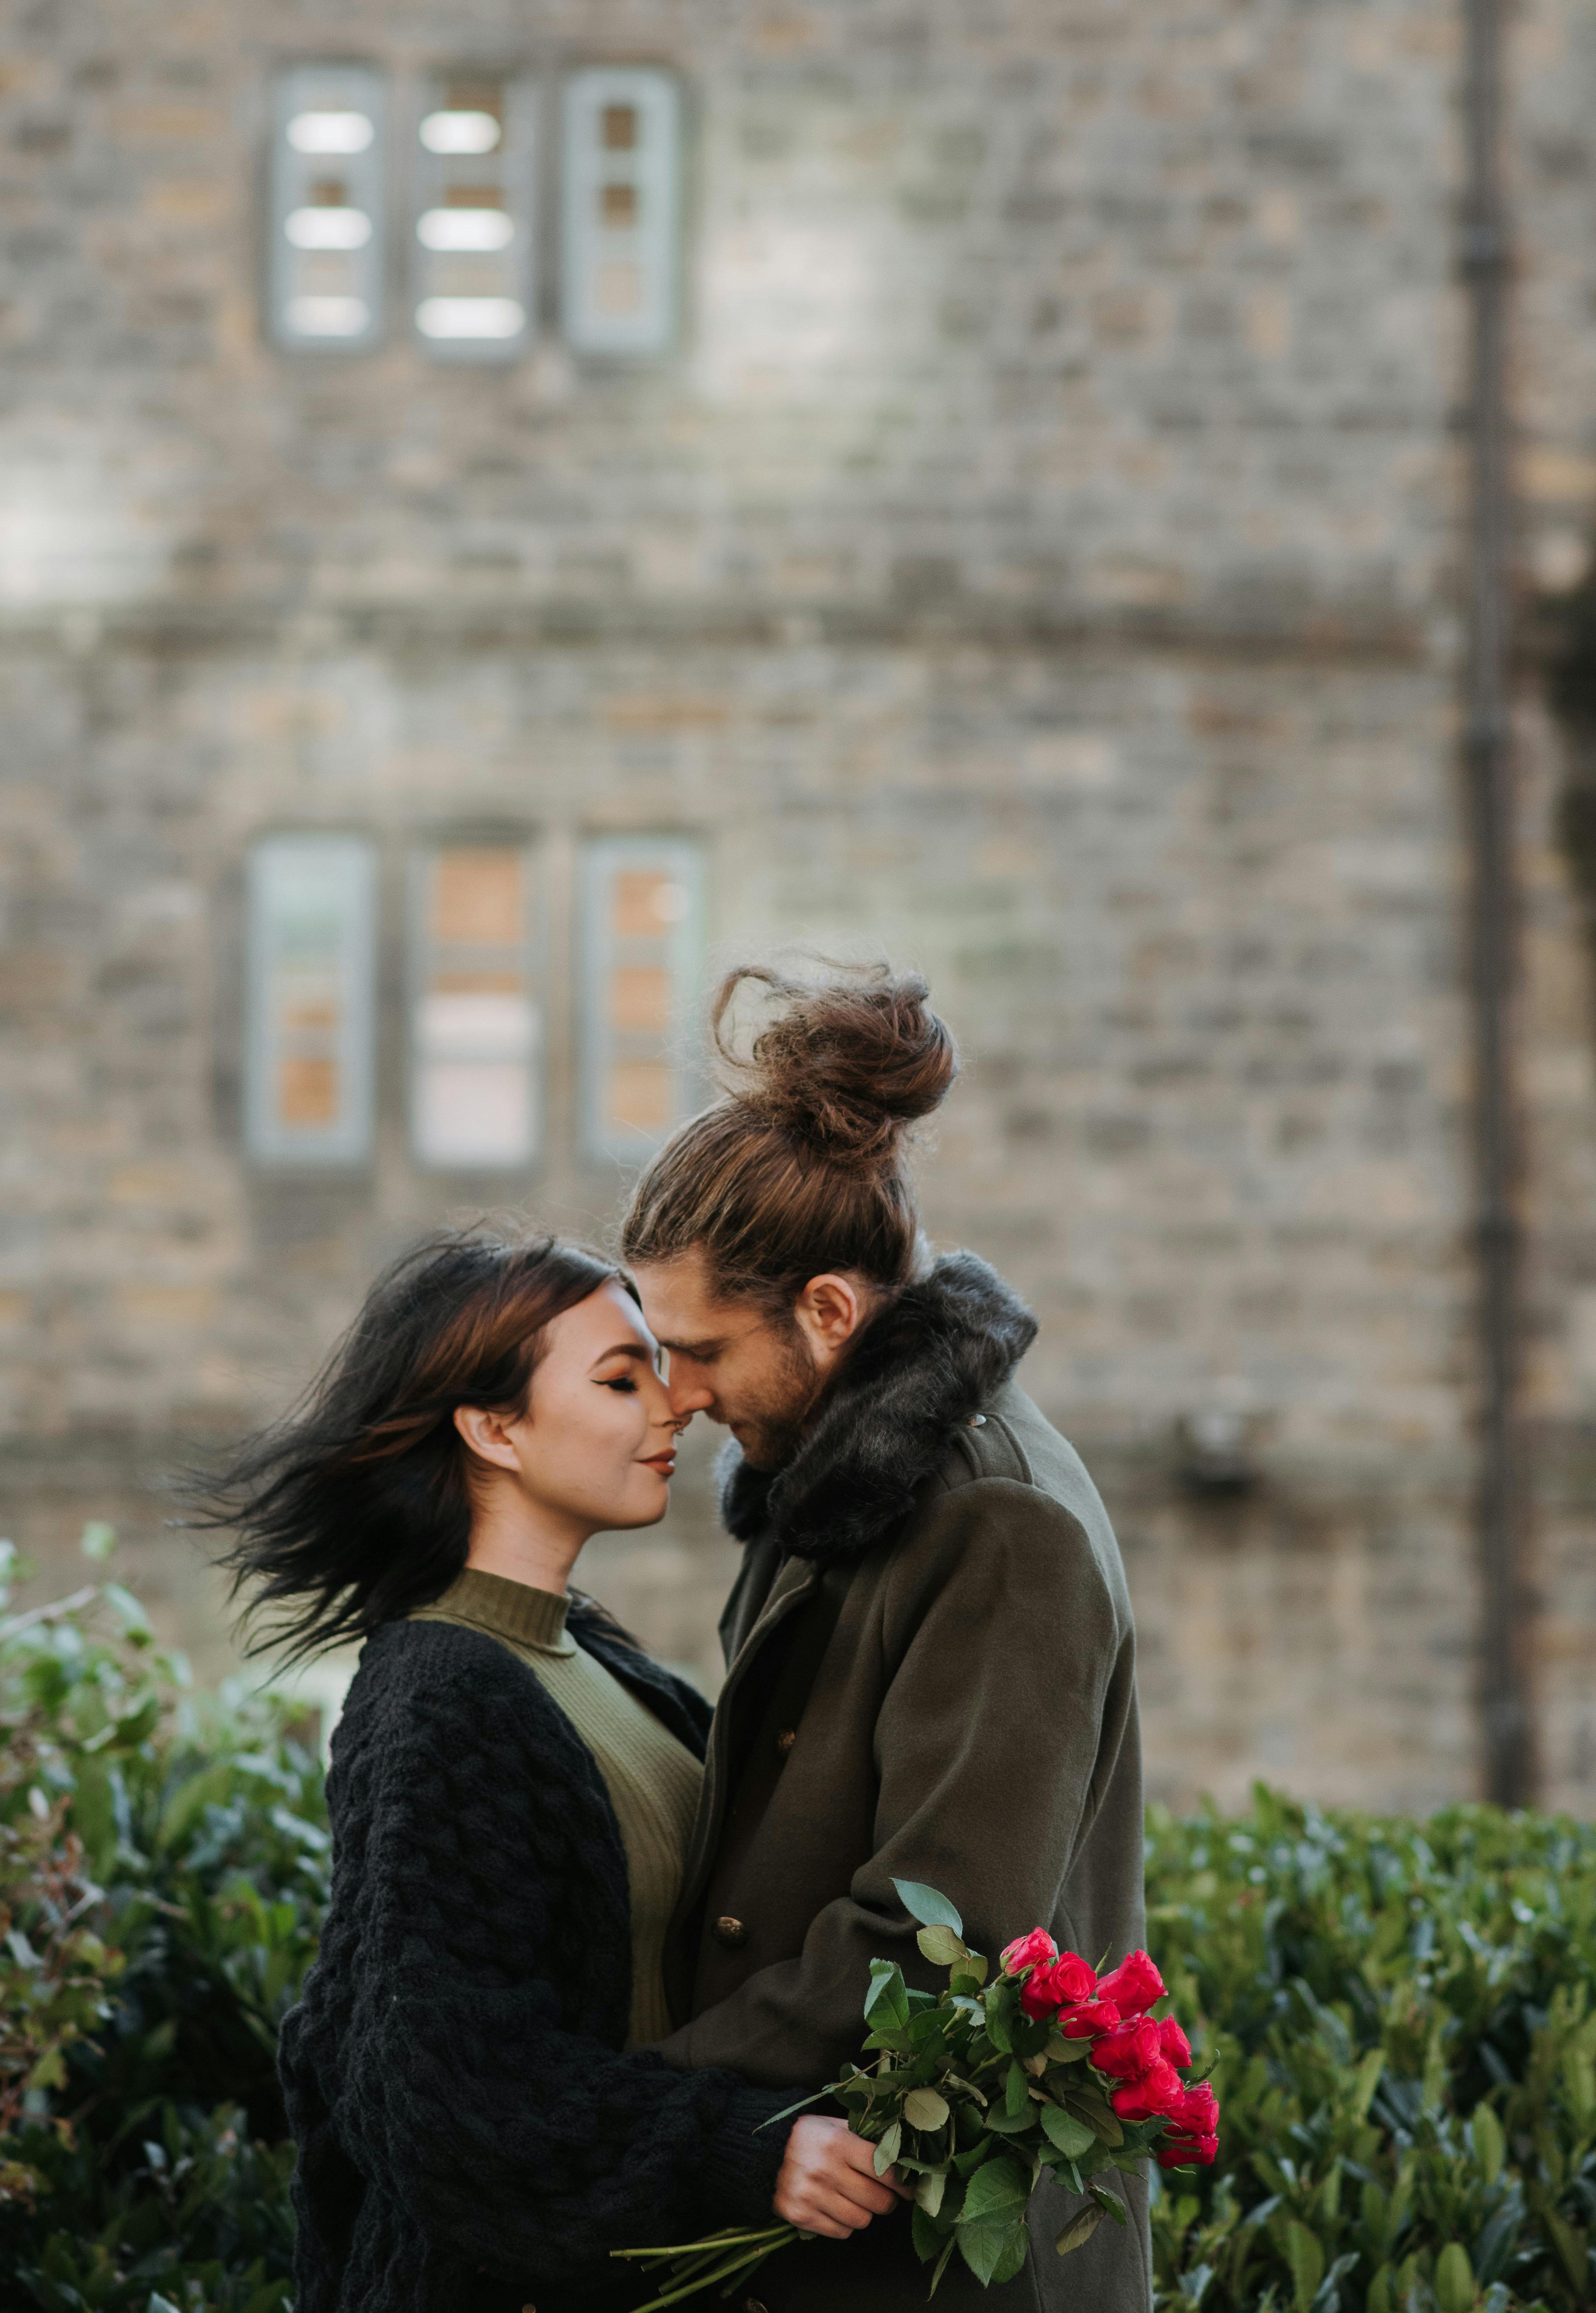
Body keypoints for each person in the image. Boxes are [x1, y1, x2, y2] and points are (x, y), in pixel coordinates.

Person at [191, 1232, 896, 2313]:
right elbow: (447, 2091)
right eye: (621, 1379)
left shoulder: (593, 1655)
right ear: (493, 1428)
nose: (674, 1405)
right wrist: (740, 2148)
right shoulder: (440, 1695)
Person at [621, 964, 1151, 2312]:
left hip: (952, 2261)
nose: (676, 1394)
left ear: (827, 1312)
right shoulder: (826, 1486)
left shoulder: (997, 1523)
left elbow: (938, 1932)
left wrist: (644, 2096)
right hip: (833, 2213)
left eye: (700, 1348)